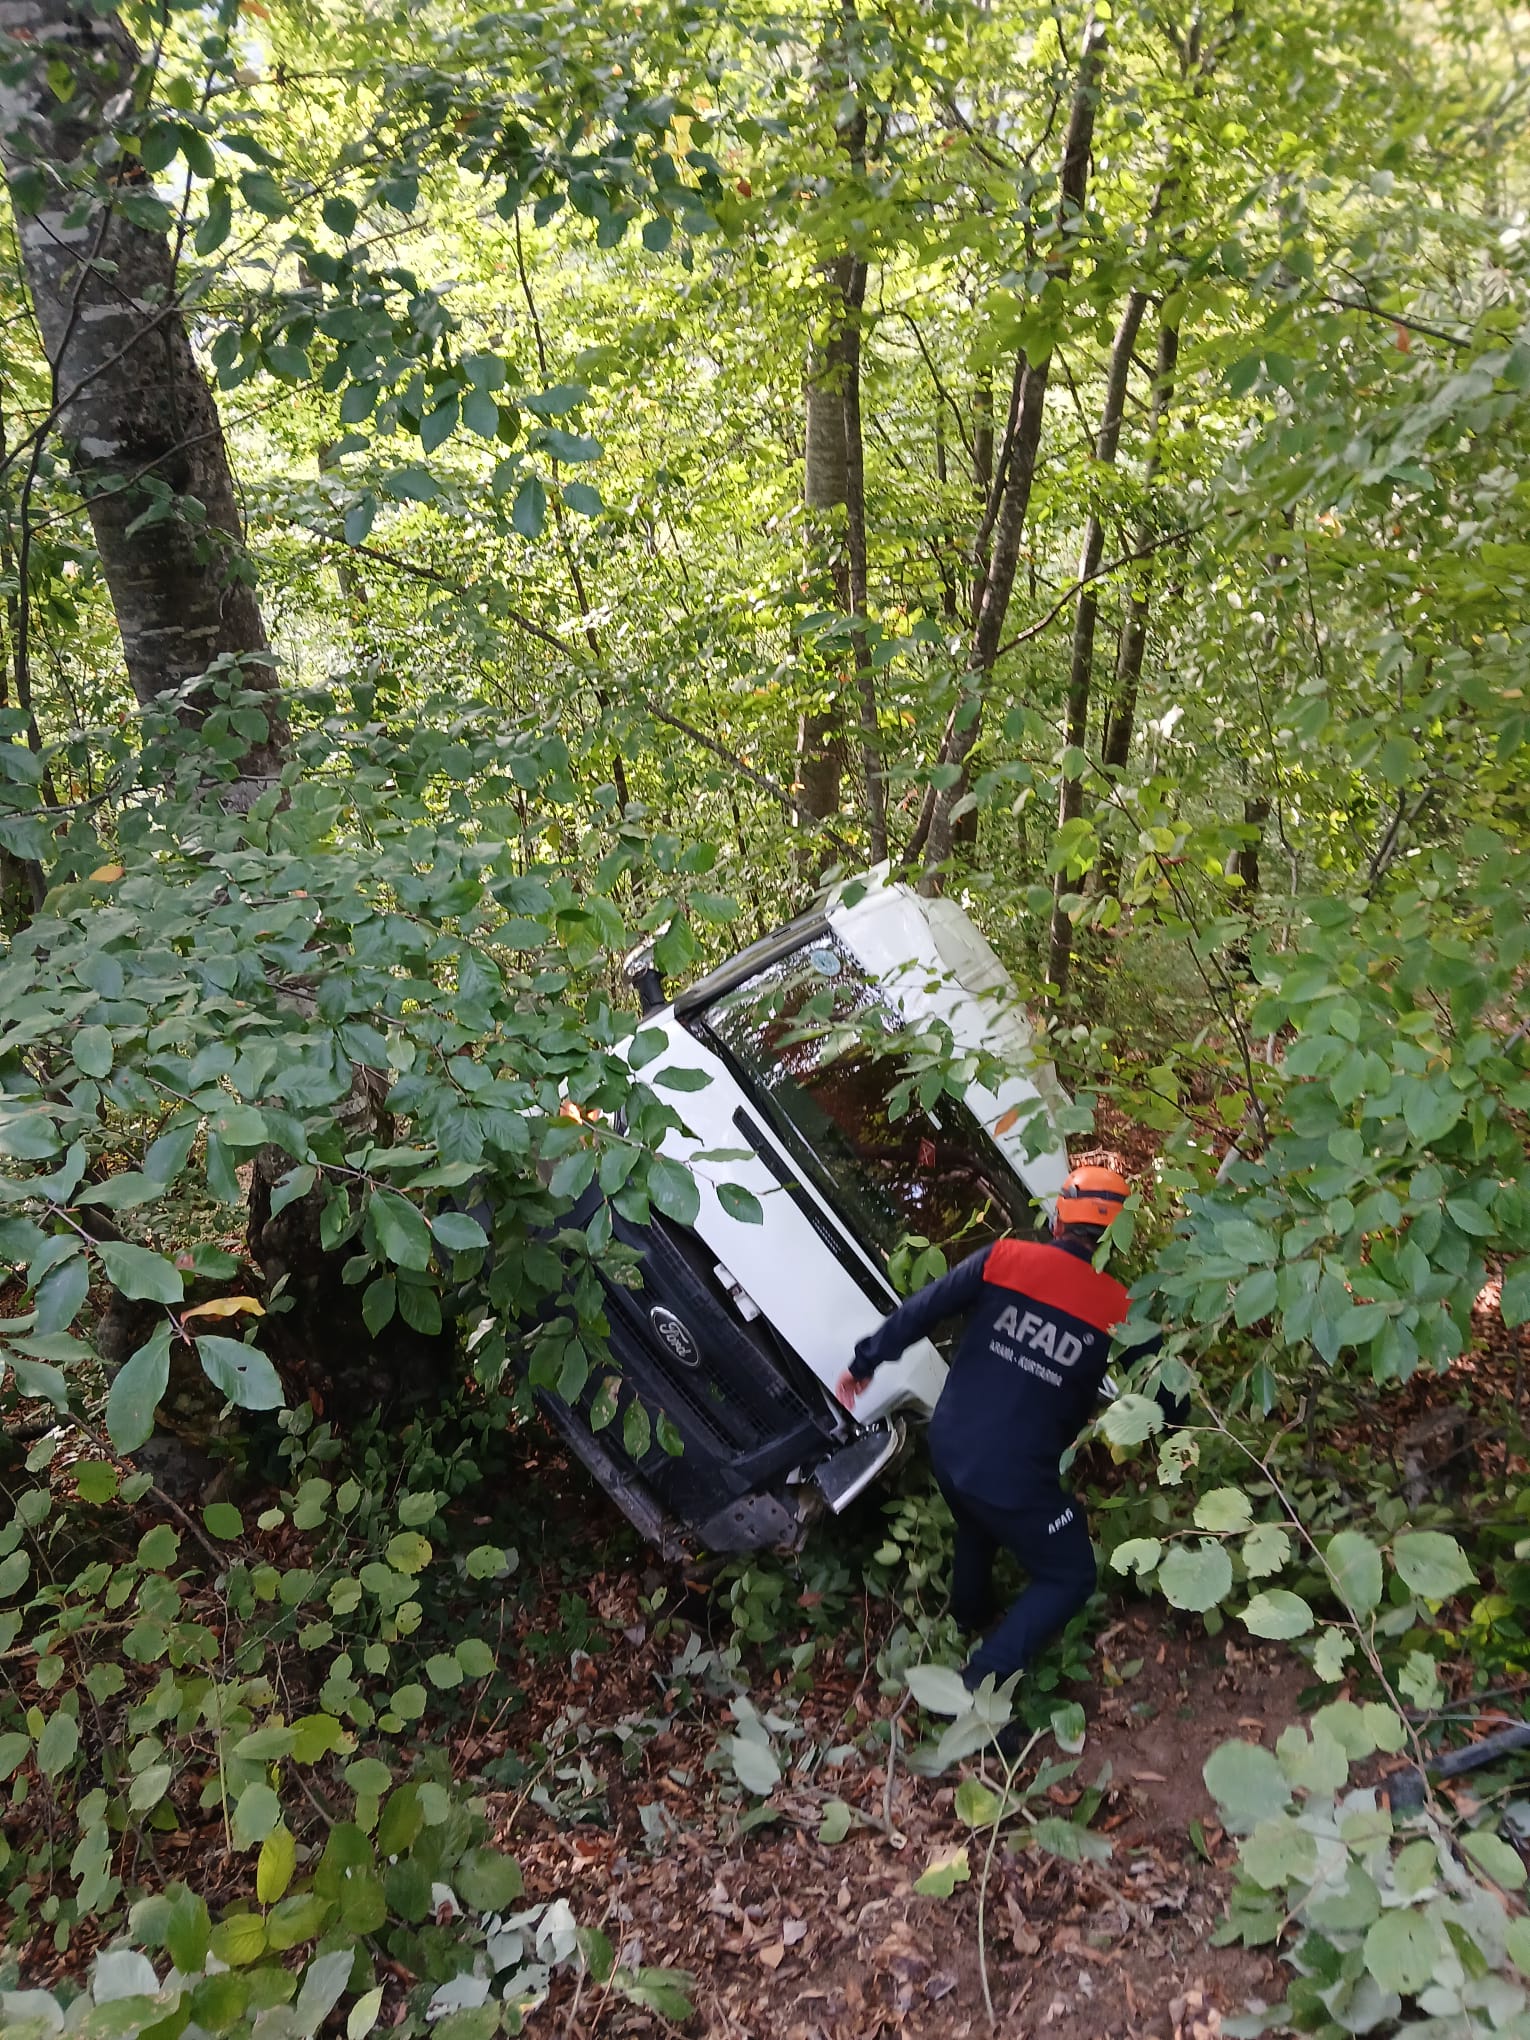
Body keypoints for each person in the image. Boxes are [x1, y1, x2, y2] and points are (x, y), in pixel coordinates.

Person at [836, 1163, 1158, 1692]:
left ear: (1059, 1217)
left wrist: (864, 1363)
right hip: (1013, 1473)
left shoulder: (1005, 1257)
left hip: (950, 1443)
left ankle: (969, 1617)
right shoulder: (1120, 1307)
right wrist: (1172, 1427)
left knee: (977, 1522)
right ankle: (983, 1677)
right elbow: (1166, 1387)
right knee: (1070, 1575)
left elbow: (923, 1310)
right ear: (1114, 1238)